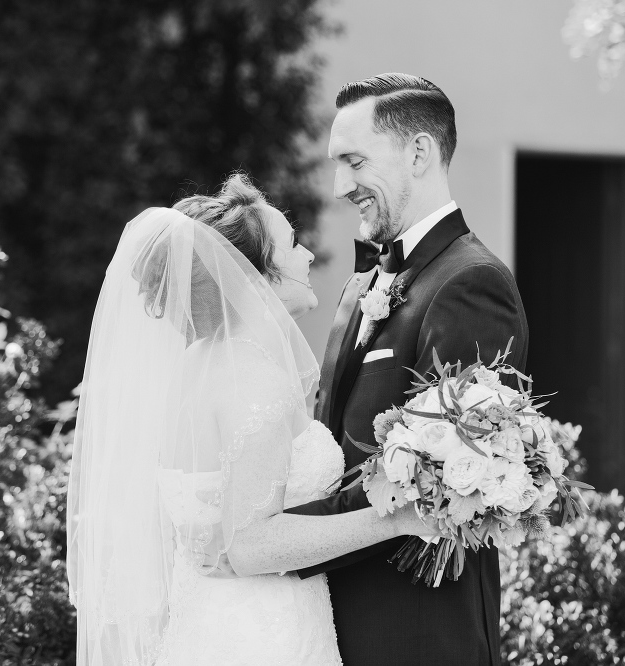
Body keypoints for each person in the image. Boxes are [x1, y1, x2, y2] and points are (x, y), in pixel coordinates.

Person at [66, 174, 436, 666]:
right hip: (264, 634)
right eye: (291, 244)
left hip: (208, 623)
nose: (307, 256)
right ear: (253, 274)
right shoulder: (251, 378)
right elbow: (251, 546)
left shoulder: (195, 366)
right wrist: (401, 517)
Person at [286, 73, 530, 665]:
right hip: (325, 625)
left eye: (355, 161)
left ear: (418, 151)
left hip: (415, 633)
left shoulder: (471, 284)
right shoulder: (363, 284)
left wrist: (278, 541)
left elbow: (430, 484)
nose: (341, 184)